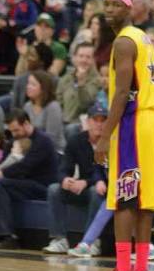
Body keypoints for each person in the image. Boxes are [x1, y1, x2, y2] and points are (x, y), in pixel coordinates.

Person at [92, 0, 154, 271]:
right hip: (153, 120)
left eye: (116, 5)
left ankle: (124, 268)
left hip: (134, 123)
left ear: (130, 10)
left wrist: (104, 136)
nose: (109, 10)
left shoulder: (125, 41)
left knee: (126, 196)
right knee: (144, 198)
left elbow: (123, 92)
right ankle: (140, 269)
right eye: (106, 5)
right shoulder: (142, 37)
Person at [0, 109, 58, 249]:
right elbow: (1, 164)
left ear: (26, 123)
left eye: (16, 130)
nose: (14, 134)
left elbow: (22, 167)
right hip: (20, 183)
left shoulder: (43, 141)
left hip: (41, 185)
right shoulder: (14, 140)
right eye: (11, 131)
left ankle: (7, 236)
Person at [43, 102, 107, 254]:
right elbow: (64, 167)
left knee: (95, 191)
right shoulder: (76, 141)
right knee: (54, 189)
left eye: (103, 120)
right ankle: (59, 239)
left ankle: (90, 242)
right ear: (88, 121)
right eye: (95, 119)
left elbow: (107, 175)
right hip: (82, 187)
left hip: (102, 188)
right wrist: (65, 179)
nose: (99, 124)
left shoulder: (112, 142)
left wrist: (86, 182)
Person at [56, 42, 101, 132]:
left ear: (93, 60)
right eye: (81, 56)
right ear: (75, 58)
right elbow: (58, 101)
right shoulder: (66, 78)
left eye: (88, 57)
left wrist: (81, 83)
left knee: (71, 129)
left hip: (83, 124)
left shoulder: (97, 81)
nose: (84, 60)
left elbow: (86, 104)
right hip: (63, 122)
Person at [23, 70, 66, 153]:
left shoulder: (53, 107)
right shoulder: (27, 106)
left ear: (43, 88)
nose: (28, 86)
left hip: (54, 151)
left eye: (33, 84)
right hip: (32, 149)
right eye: (28, 83)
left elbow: (51, 138)